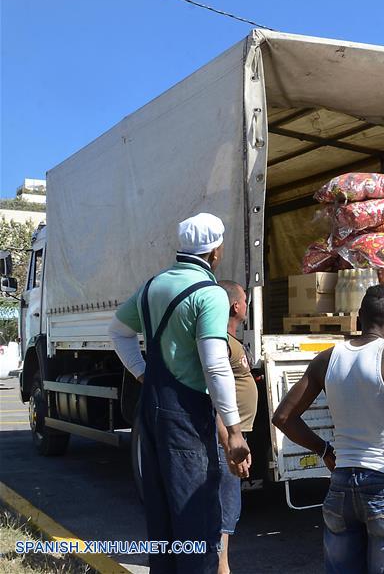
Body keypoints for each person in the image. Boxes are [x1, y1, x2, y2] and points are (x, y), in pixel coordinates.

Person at [109, 213, 250, 573]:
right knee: (195, 517)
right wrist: (233, 431)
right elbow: (215, 365)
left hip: (151, 410)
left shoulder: (153, 286)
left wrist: (142, 372)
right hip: (185, 416)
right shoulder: (210, 294)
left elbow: (118, 331)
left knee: (162, 516)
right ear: (215, 251)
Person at [272, 285, 384, 574]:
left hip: (342, 485)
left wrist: (324, 450)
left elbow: (284, 417)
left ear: (360, 317)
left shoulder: (327, 358)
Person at [215, 281, 258, 574]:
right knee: (224, 507)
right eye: (245, 299)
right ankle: (221, 567)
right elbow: (213, 399)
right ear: (235, 307)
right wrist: (230, 440)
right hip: (226, 440)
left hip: (234, 436)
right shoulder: (220, 343)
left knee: (229, 505)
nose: (247, 303)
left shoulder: (231, 342)